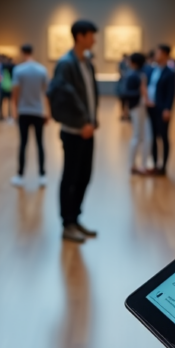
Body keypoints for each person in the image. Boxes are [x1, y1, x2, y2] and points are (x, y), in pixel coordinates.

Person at [47, 20, 100, 243]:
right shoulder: (66, 64)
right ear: (80, 36)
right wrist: (81, 122)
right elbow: (60, 97)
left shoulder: (86, 63)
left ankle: (75, 218)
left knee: (84, 176)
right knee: (70, 177)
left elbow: (89, 95)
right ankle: (67, 223)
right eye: (91, 35)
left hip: (87, 129)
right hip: (73, 131)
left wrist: (92, 120)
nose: (94, 40)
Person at [11, 44, 49, 187]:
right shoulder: (42, 70)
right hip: (38, 112)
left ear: (22, 52)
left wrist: (14, 110)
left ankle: (20, 175)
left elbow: (15, 93)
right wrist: (47, 112)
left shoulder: (18, 70)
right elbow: (46, 93)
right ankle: (42, 175)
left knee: (23, 144)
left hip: (24, 112)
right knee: (40, 143)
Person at [147, 44, 175, 176]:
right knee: (153, 136)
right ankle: (154, 164)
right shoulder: (153, 70)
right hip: (152, 108)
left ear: (165, 54)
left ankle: (163, 166)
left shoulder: (170, 73)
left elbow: (171, 93)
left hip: (162, 109)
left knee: (163, 137)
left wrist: (167, 109)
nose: (156, 55)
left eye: (158, 53)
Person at [125, 52, 150, 175]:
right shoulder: (133, 76)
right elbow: (127, 93)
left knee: (144, 136)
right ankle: (133, 164)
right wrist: (140, 92)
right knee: (138, 135)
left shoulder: (138, 75)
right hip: (137, 107)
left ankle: (141, 164)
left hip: (141, 107)